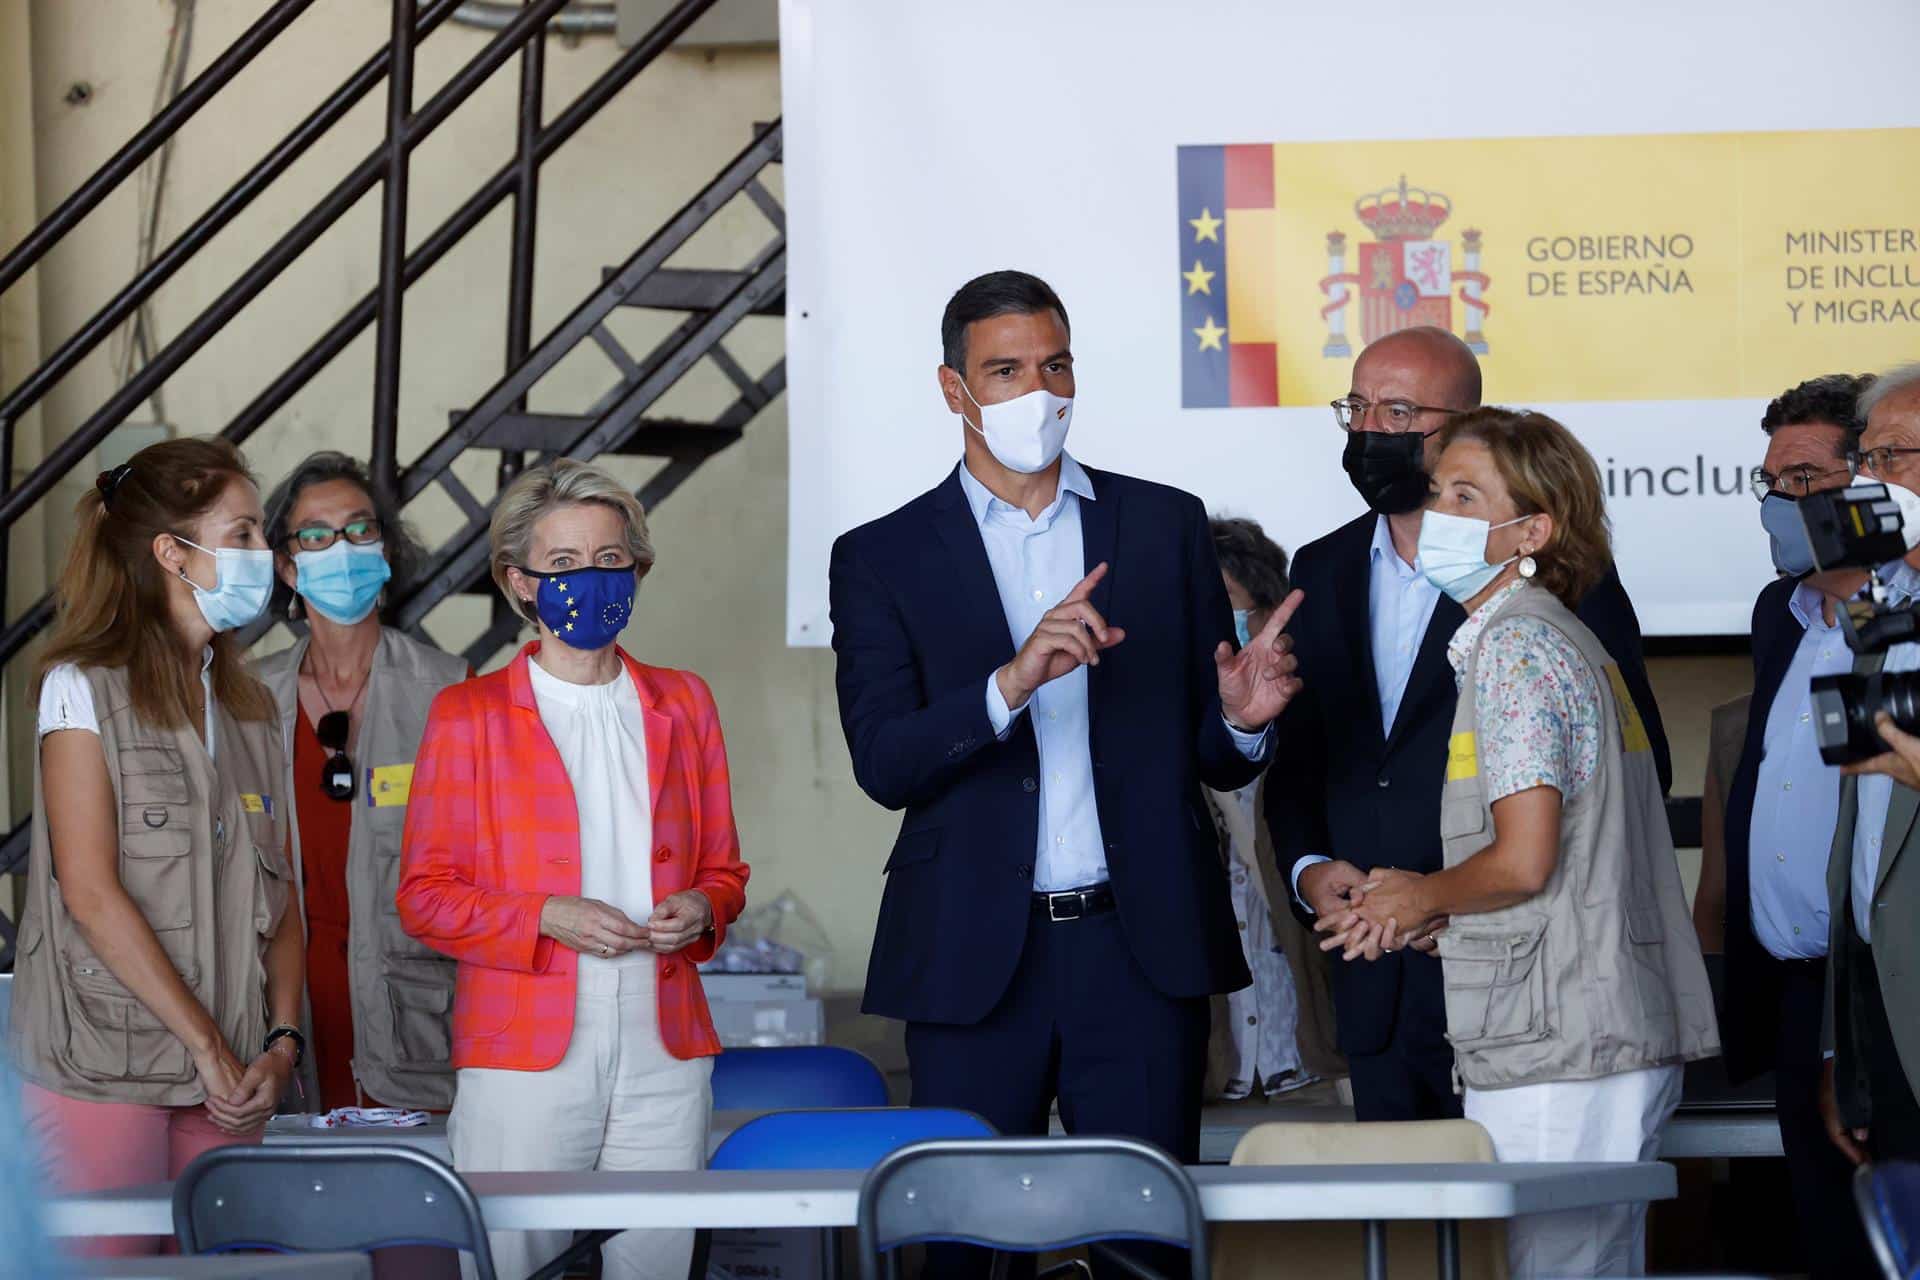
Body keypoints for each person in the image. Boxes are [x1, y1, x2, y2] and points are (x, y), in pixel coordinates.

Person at [829, 270, 1301, 1271]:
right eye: (1004, 370)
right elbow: (885, 760)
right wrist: (1008, 681)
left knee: (1143, 1243)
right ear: (953, 388)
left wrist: (1240, 720)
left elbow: (1204, 753)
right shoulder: (883, 554)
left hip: (1138, 950)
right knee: (956, 1248)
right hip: (972, 956)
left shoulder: (1162, 522)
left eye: (1054, 365)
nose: (1035, 392)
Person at [1321, 408, 1717, 1278]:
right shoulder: (1551, 635)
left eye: (1467, 496)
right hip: (1589, 1027)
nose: (1437, 513)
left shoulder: (1517, 647)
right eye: (1436, 491)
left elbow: (1524, 860)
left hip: (1565, 1046)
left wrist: (1417, 896)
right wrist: (1439, 912)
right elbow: (1564, 862)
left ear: (1532, 529)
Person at [1264, 326, 1669, 1122]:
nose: (1371, 430)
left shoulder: (1555, 592)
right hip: (1371, 971)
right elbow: (1304, 760)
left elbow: (1632, 767)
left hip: (1522, 972)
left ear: (1466, 428)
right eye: (1359, 407)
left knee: (1539, 1241)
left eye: (1401, 411)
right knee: (1409, 1241)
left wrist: (1443, 900)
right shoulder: (1320, 567)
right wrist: (1313, 871)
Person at [399, 458, 750, 1280]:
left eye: (609, 560)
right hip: (522, 1052)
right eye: (562, 566)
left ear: (637, 569)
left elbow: (725, 868)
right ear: (520, 584)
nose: (590, 582)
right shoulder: (467, 714)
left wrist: (705, 905)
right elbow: (424, 897)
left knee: (658, 1264)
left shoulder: (684, 701)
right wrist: (544, 916)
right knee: (516, 1263)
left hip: (665, 1049)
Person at [7, 438, 305, 1257]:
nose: (262, 556)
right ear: (172, 553)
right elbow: (90, 893)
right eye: (242, 534)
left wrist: (280, 1048)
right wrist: (206, 1045)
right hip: (109, 1065)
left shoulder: (248, 705)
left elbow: (282, 906)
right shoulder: (81, 686)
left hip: (236, 1079)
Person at [1696, 374, 1877, 1280]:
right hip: (1801, 996)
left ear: (1872, 480)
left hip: (1889, 991)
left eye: (1803, 479)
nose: (1781, 502)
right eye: (1772, 483)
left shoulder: (1903, 618)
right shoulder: (1783, 614)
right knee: (1829, 1239)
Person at [254, 452, 468, 1113]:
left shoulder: (450, 691)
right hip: (283, 1014)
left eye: (358, 529)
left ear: (384, 550)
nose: (339, 549)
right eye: (315, 535)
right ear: (288, 567)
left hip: (414, 1013)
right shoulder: (247, 700)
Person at [1822, 361, 1920, 1164]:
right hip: (1886, 1019)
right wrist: (1842, 1053)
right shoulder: (1883, 610)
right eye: (1867, 460)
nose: (1871, 480)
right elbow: (1861, 856)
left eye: (1892, 458)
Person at [1205, 517, 1339, 1098]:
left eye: (1225, 606)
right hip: (1210, 1085)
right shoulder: (1155, 753)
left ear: (1270, 614)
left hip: (1317, 1078)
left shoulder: (1324, 740)